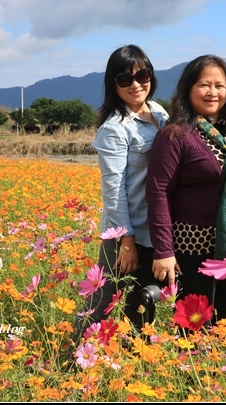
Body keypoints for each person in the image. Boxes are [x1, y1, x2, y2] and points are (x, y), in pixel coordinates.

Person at [147, 55, 226, 326]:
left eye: (219, 86)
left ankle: (213, 368)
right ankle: (190, 369)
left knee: (223, 320)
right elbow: (158, 191)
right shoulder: (175, 134)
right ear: (188, 89)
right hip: (193, 248)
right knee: (195, 326)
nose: (212, 92)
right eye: (203, 85)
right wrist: (163, 251)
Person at [71, 44, 169, 350]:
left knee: (143, 297)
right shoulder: (114, 128)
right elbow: (113, 191)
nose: (136, 84)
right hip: (126, 231)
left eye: (142, 74)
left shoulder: (160, 112)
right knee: (103, 300)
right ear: (113, 84)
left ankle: (131, 354)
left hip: (157, 228)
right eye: (125, 79)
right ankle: (74, 354)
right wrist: (125, 241)